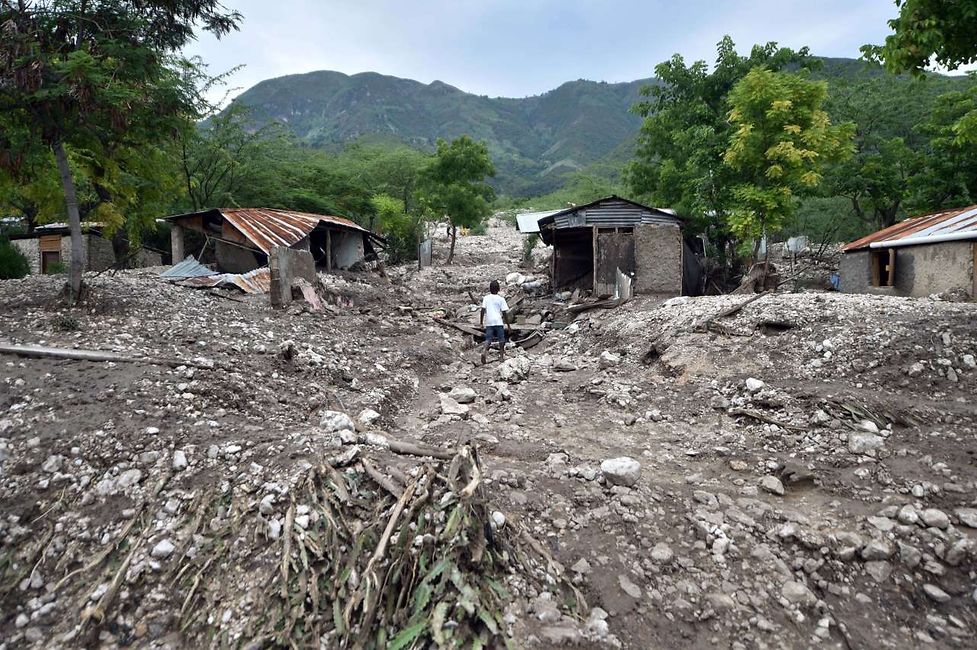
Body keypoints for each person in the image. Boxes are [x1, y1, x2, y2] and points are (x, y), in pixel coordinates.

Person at [479, 280, 509, 364]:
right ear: (498, 289)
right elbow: (504, 313)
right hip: (498, 321)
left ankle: (484, 351)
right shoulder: (501, 299)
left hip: (489, 322)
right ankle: (501, 357)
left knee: (488, 339)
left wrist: (481, 322)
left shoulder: (486, 298)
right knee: (501, 339)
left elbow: (482, 310)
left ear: (489, 289)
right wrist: (508, 325)